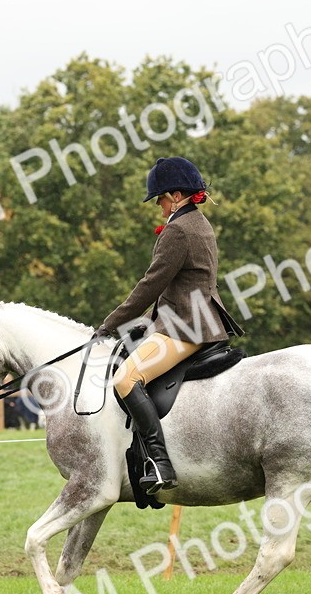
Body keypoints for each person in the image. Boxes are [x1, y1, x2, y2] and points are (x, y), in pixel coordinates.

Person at [94, 156, 244, 494]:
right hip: (196, 318)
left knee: (125, 377)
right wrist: (145, 324)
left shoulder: (178, 230)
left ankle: (159, 462)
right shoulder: (200, 224)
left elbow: (151, 285)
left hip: (186, 327)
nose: (159, 206)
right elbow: (182, 288)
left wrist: (110, 324)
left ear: (176, 196)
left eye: (160, 198)